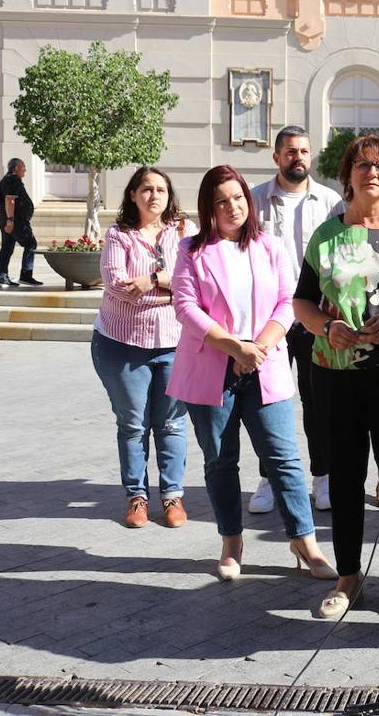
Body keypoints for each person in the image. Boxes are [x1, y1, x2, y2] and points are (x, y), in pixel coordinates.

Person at [168, 165, 336, 582]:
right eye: (221, 201)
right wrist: (233, 348)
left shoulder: (270, 246)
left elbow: (288, 301)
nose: (232, 207)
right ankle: (231, 540)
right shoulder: (191, 249)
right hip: (212, 368)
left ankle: (304, 540)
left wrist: (256, 348)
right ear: (208, 207)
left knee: (284, 459)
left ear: (249, 200)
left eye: (238, 198)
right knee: (220, 461)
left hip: (263, 362)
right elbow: (186, 307)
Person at [292, 134, 379, 624]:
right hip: (336, 372)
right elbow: (301, 301)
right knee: (346, 478)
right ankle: (347, 577)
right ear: (347, 174)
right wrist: (326, 326)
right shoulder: (326, 236)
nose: (373, 173)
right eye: (363, 165)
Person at [249, 125, 345, 515]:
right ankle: (269, 478)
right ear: (276, 157)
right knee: (267, 400)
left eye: (304, 151)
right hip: (269, 319)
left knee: (317, 401)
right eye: (290, 151)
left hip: (313, 315)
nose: (298, 158)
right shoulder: (254, 201)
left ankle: (322, 478)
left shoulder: (330, 201)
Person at [91, 167, 190, 529]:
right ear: (133, 194)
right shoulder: (119, 235)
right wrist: (171, 289)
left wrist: (151, 280)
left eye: (161, 189)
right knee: (133, 425)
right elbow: (118, 286)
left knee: (172, 424)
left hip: (175, 345)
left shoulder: (183, 230)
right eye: (146, 189)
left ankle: (172, 496)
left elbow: (193, 280)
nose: (154, 196)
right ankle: (137, 497)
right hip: (123, 345)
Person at [0, 158, 43, 288]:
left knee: (7, 247)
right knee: (30, 243)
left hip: (8, 219)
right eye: (23, 167)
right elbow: (10, 200)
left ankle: (1, 276)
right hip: (15, 221)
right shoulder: (12, 180)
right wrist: (10, 221)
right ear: (16, 168)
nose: (25, 170)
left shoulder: (7, 179)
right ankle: (26, 275)